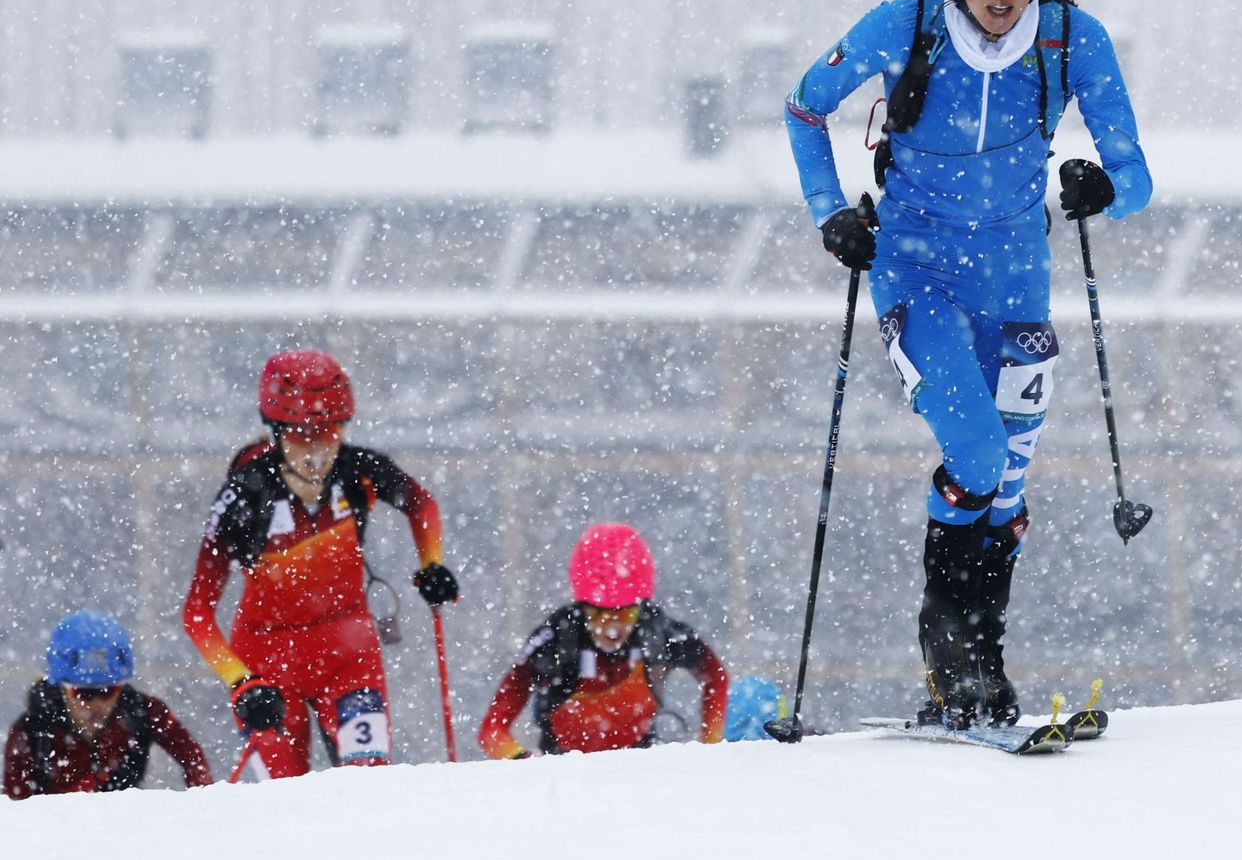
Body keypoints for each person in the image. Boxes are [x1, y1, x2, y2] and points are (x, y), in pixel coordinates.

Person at [784, 0, 1152, 730]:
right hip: (918, 273)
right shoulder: (904, 27)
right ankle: (948, 653)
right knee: (978, 453)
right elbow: (805, 108)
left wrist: (1107, 187)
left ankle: (982, 662)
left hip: (1018, 284)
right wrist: (831, 213)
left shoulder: (1071, 40)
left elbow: (1134, 172)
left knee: (1009, 488)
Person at [183, 349, 459, 779]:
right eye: (299, 437)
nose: (315, 453)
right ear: (275, 433)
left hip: (349, 655)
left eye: (328, 435)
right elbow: (196, 612)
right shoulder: (243, 496)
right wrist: (241, 682)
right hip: (266, 666)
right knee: (285, 799)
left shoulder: (358, 471)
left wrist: (433, 564)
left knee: (369, 781)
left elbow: (422, 506)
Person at [478, 523, 727, 757]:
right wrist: (529, 765)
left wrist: (709, 749)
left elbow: (716, 678)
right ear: (582, 606)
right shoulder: (556, 638)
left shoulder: (658, 631)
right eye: (599, 615)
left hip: (642, 771)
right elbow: (492, 731)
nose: (612, 629)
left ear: (640, 608)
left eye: (626, 614)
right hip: (566, 779)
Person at [5, 611, 212, 799]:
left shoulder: (142, 712)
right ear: (62, 689)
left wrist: (202, 807)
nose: (97, 704)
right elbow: (18, 818)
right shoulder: (32, 733)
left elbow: (193, 760)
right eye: (84, 693)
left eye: (108, 692)